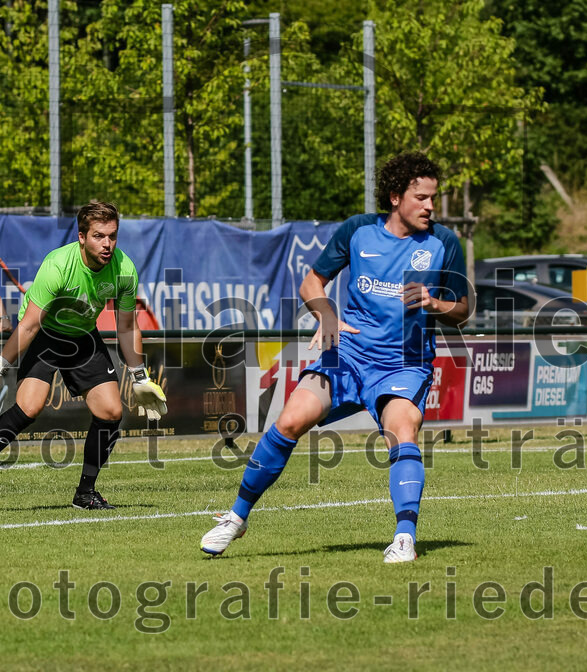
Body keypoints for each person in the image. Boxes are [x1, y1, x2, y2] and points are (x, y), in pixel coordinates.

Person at [199, 152, 468, 563]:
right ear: (395, 197)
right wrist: (326, 315)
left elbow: (463, 310)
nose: (430, 206)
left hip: (403, 362)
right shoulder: (358, 230)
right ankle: (236, 518)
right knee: (290, 420)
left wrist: (435, 303)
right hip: (349, 354)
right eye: (421, 198)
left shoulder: (443, 243)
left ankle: (404, 539)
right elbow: (312, 282)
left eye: (433, 197)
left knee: (402, 430)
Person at [0, 200, 167, 512]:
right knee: (29, 408)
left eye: (112, 236)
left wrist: (139, 376)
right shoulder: (57, 265)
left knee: (111, 412)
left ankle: (85, 493)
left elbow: (126, 327)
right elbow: (29, 325)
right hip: (45, 334)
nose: (107, 244)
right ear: (81, 237)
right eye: (98, 236)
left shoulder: (124, 269)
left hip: (82, 335)